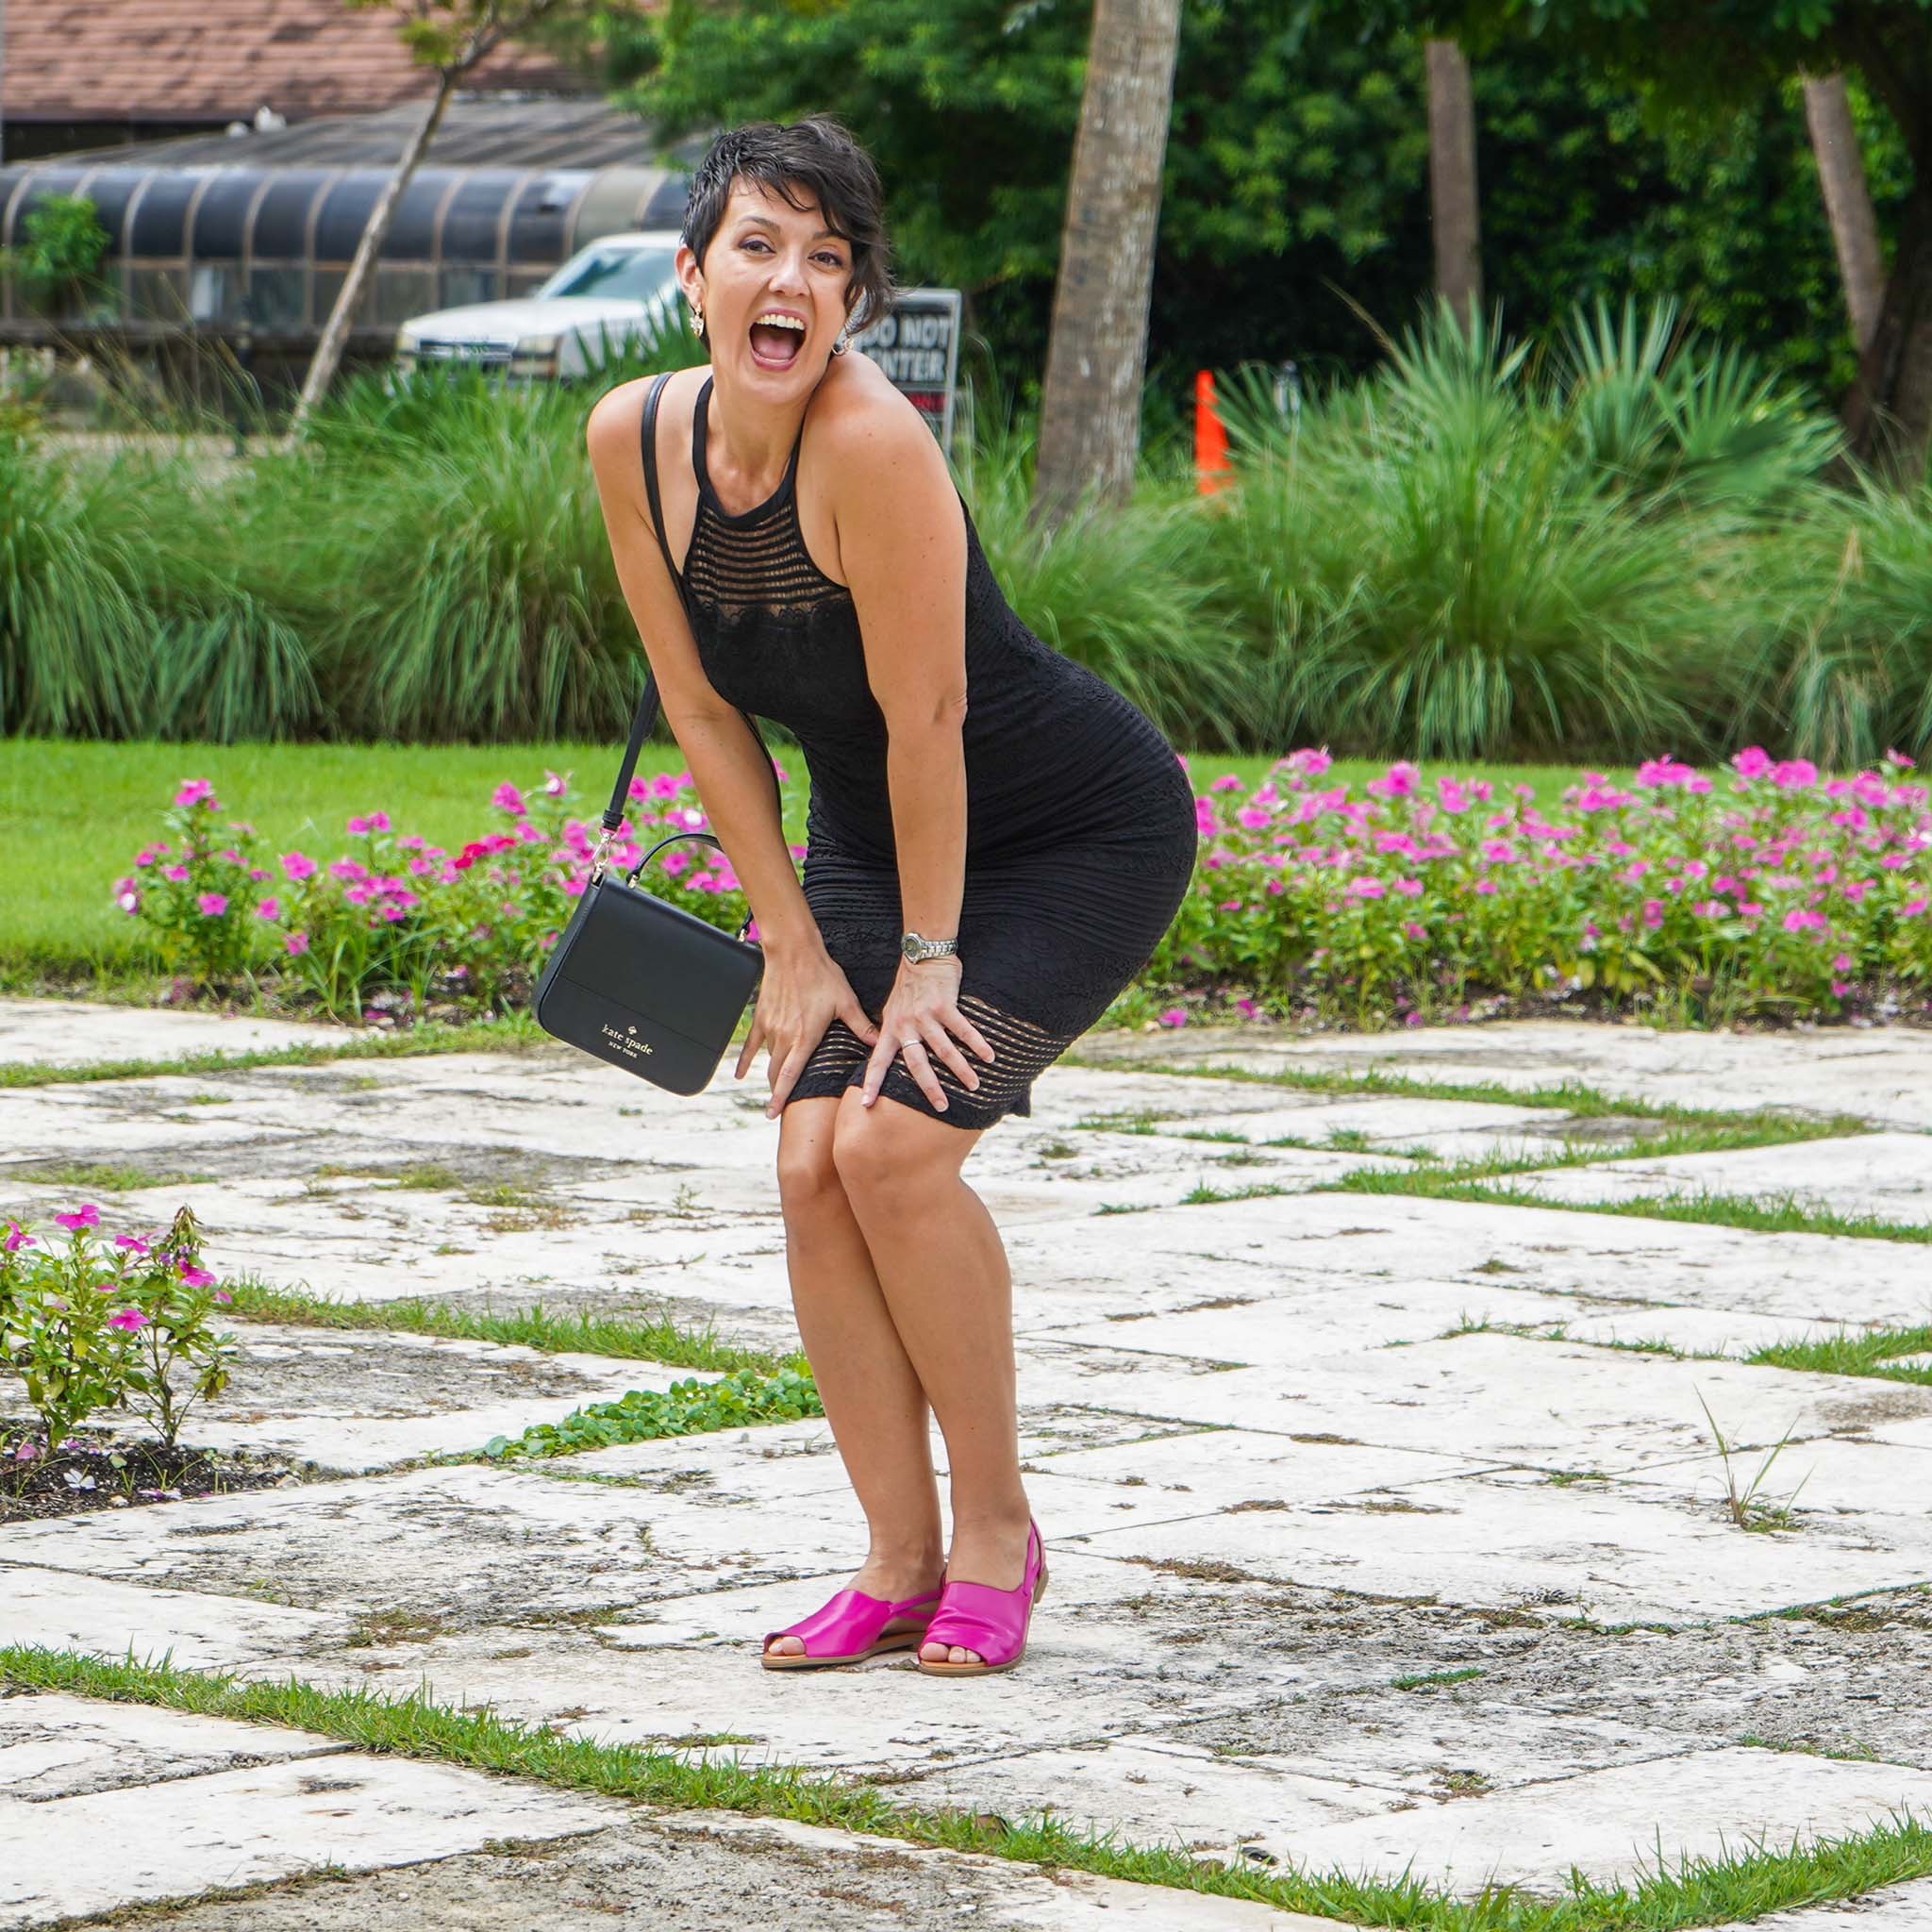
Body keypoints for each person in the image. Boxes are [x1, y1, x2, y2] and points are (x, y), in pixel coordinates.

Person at [584, 116, 1197, 1678]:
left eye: (829, 260)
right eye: (761, 247)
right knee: (807, 1161)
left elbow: (931, 722)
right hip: (873, 831)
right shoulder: (631, 443)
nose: (793, 282)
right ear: (693, 275)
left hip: (1072, 827)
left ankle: (997, 1535)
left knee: (899, 1149)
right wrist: (789, 943)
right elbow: (706, 712)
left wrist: (929, 960)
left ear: (851, 303)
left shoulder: (872, 444)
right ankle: (895, 1556)